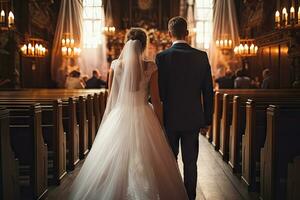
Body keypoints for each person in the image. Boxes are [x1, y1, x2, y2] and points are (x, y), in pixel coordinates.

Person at [69, 28, 188, 200]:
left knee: (116, 158)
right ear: (144, 45)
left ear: (126, 43)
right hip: (144, 114)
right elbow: (156, 100)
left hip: (120, 114)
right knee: (146, 157)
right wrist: (161, 125)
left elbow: (112, 96)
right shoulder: (151, 67)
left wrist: (111, 119)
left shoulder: (116, 66)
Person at [156, 16, 214, 200]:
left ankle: (171, 195)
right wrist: (207, 119)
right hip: (192, 118)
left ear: (168, 34)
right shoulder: (201, 56)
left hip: (169, 119)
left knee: (169, 161)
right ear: (187, 33)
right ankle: (190, 197)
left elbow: (159, 93)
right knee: (191, 162)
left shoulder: (162, 57)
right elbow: (208, 91)